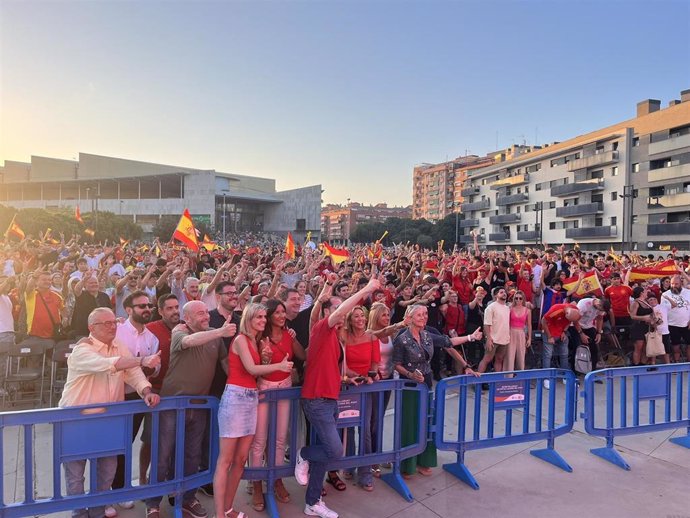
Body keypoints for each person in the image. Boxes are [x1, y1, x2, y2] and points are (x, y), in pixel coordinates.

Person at [59, 308, 160, 518]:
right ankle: (79, 514)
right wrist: (142, 360)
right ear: (91, 328)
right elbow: (108, 365)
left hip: (109, 420)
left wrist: (146, 390)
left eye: (113, 322)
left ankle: (97, 512)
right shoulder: (81, 350)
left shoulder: (118, 346)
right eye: (105, 323)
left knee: (106, 470)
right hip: (76, 421)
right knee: (76, 474)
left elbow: (132, 373)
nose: (112, 326)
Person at [294, 276, 381, 518]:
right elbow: (342, 308)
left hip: (331, 398)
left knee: (326, 452)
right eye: (336, 309)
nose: (341, 313)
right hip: (317, 399)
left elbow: (329, 368)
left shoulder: (335, 338)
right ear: (326, 312)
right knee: (335, 450)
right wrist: (367, 288)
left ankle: (313, 502)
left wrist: (345, 378)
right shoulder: (322, 328)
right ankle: (303, 454)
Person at [144, 301, 237, 518]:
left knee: (192, 456)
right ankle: (153, 503)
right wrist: (221, 332)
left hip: (199, 406)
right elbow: (188, 341)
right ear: (187, 319)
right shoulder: (180, 332)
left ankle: (186, 498)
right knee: (162, 455)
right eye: (200, 313)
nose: (206, 316)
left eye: (206, 312)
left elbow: (225, 362)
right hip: (171, 406)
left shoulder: (214, 335)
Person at [213, 303, 293, 518]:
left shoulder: (254, 341)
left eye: (264, 317)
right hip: (236, 397)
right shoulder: (240, 339)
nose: (263, 320)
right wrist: (278, 366)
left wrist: (266, 358)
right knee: (226, 460)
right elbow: (251, 369)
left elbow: (255, 373)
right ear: (248, 318)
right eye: (258, 317)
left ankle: (229, 508)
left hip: (250, 398)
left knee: (240, 460)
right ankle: (219, 514)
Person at [393, 304, 480, 479]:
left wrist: (471, 337)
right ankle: (407, 464)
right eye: (419, 315)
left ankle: (424, 460)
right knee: (410, 423)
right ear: (409, 318)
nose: (424, 317)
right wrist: (410, 374)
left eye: (425, 314)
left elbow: (448, 342)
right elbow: (396, 364)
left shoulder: (427, 335)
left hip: (426, 383)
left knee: (426, 421)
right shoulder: (401, 339)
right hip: (409, 386)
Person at [248, 299, 305, 510]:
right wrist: (264, 359)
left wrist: (295, 339)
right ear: (269, 315)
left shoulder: (288, 334)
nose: (282, 315)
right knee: (259, 439)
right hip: (264, 388)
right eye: (278, 312)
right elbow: (253, 366)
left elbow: (301, 355)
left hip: (285, 386)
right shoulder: (260, 336)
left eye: (283, 312)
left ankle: (277, 479)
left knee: (280, 438)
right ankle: (256, 484)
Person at [110, 291, 159, 515]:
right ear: (128, 310)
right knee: (110, 447)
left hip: (137, 396)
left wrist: (151, 368)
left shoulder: (152, 338)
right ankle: (109, 494)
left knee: (125, 445)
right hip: (112, 396)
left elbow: (154, 369)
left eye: (149, 305)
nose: (147, 309)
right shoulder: (116, 330)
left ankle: (120, 489)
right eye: (141, 306)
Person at [541, 303, 581, 389]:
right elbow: (543, 321)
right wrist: (549, 336)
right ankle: (546, 378)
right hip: (550, 332)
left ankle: (565, 377)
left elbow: (569, 322)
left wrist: (564, 331)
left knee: (564, 355)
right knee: (548, 355)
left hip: (561, 332)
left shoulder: (574, 309)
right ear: (566, 314)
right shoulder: (556, 310)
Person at [478, 287, 511, 373]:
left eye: (504, 292)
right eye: (501, 292)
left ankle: (498, 382)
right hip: (493, 339)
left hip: (504, 340)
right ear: (496, 295)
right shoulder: (491, 307)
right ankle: (477, 382)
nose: (504, 293)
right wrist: (488, 339)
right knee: (487, 359)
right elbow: (486, 324)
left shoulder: (507, 308)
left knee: (499, 359)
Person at [575, 296, 610, 371]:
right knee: (577, 346)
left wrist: (599, 332)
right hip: (576, 325)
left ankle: (592, 371)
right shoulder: (584, 304)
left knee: (594, 348)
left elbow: (600, 318)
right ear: (598, 304)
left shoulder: (601, 308)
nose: (600, 311)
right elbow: (575, 320)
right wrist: (581, 334)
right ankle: (575, 371)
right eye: (600, 309)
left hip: (588, 325)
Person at [661, 275, 690, 362]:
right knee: (675, 345)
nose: (674, 286)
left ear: (681, 283)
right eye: (672, 284)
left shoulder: (688, 293)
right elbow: (663, 309)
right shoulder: (665, 295)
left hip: (687, 324)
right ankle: (676, 363)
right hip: (672, 324)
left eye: (676, 284)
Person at [507, 290, 531, 373]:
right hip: (511, 332)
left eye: (520, 298)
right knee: (510, 356)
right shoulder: (510, 309)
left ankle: (520, 377)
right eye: (516, 298)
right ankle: (508, 377)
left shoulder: (527, 310)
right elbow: (507, 323)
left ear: (523, 299)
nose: (518, 300)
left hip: (521, 333)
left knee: (521, 356)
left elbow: (529, 325)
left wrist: (529, 338)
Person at [630, 286, 654, 366]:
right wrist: (644, 318)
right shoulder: (635, 303)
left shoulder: (645, 302)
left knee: (646, 348)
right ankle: (636, 365)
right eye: (645, 291)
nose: (647, 292)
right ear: (641, 293)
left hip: (647, 327)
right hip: (638, 327)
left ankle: (643, 364)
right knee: (638, 348)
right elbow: (632, 316)